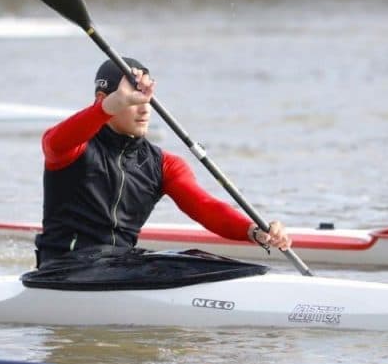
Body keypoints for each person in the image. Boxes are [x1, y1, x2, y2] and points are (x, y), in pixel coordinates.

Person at [34, 57, 292, 267]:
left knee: (200, 261)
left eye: (146, 97)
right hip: (63, 268)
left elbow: (205, 207)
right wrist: (107, 107)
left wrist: (254, 231)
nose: (145, 108)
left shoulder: (163, 164)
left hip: (118, 265)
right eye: (132, 99)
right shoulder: (75, 147)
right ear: (104, 99)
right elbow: (52, 142)